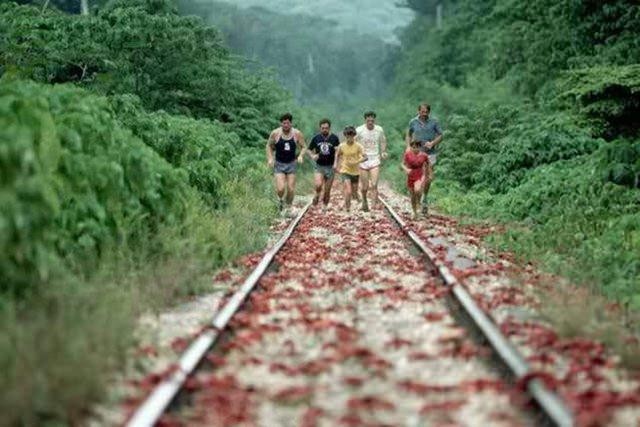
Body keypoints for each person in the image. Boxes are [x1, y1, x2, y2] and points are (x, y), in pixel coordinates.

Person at [405, 103, 443, 215]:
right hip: (417, 153)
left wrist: (433, 143)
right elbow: (408, 134)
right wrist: (408, 146)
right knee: (418, 176)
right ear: (418, 111)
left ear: (429, 112)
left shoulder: (434, 121)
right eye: (422, 112)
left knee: (429, 178)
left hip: (430, 153)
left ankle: (424, 198)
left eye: (426, 112)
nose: (424, 114)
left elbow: (441, 135)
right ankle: (418, 198)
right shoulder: (413, 122)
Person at [266, 113, 305, 213]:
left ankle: (288, 207)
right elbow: (269, 146)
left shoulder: (297, 134)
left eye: (287, 123)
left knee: (291, 189)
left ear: (291, 124)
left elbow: (304, 146)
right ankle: (280, 200)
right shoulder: (275, 133)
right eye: (284, 123)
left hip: (291, 164)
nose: (286, 125)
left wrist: (300, 156)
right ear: (281, 124)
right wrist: (270, 158)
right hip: (279, 164)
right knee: (281, 188)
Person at [356, 111, 388, 211]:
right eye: (368, 120)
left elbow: (383, 141)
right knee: (365, 187)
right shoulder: (359, 130)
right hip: (363, 160)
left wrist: (383, 152)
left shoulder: (379, 129)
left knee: (374, 184)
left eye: (372, 120)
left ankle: (373, 206)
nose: (370, 122)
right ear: (365, 120)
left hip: (375, 159)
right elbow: (354, 142)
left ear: (374, 120)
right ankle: (364, 202)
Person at [307, 118, 340, 210]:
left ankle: (324, 207)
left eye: (326, 128)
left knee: (327, 190)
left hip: (330, 167)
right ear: (320, 128)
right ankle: (317, 194)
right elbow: (308, 149)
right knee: (318, 185)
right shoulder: (316, 138)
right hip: (319, 166)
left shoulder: (334, 138)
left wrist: (337, 164)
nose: (324, 130)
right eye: (322, 128)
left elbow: (338, 152)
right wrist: (313, 156)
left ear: (329, 128)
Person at [334, 126, 366, 212]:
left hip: (355, 172)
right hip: (345, 171)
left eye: (351, 136)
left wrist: (357, 161)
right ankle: (347, 208)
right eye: (347, 136)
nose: (349, 138)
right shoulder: (342, 146)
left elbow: (365, 157)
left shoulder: (358, 146)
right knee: (348, 191)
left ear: (354, 136)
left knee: (354, 193)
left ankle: (358, 198)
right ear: (345, 136)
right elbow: (337, 155)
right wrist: (335, 165)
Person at [402, 140, 430, 220]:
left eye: (417, 147)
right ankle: (414, 212)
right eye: (413, 147)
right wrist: (406, 169)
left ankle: (418, 204)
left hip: (420, 174)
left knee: (417, 190)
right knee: (412, 196)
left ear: (420, 147)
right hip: (411, 175)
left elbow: (428, 165)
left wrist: (428, 174)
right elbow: (402, 164)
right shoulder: (408, 154)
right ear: (411, 147)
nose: (415, 149)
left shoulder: (424, 155)